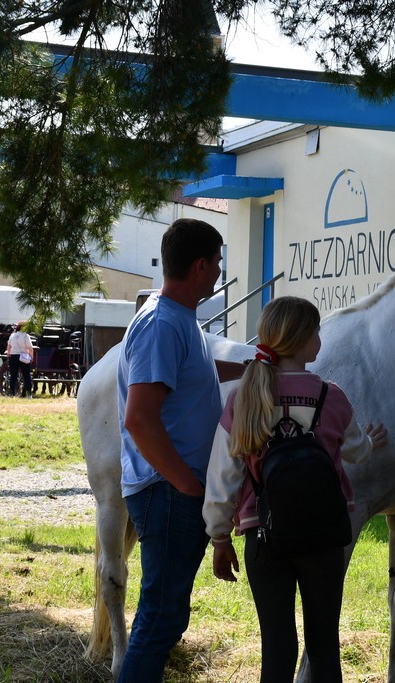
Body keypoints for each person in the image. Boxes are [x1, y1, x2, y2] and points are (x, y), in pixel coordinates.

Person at [203, 296, 387, 682]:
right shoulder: (331, 396)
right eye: (316, 330)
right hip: (323, 538)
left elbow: (224, 476)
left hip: (264, 536)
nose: (319, 337)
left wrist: (220, 539)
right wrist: (371, 441)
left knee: (277, 647)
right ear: (305, 341)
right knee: (323, 647)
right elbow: (355, 450)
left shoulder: (245, 396)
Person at [116, 217, 246, 682]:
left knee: (166, 615)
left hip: (173, 491)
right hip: (168, 492)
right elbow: (140, 419)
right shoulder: (161, 325)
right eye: (216, 265)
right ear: (199, 266)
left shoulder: (178, 319)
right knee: (160, 618)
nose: (218, 274)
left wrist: (251, 367)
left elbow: (195, 374)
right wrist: (189, 485)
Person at [7, 322, 35, 398]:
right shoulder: (26, 336)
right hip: (23, 357)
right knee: (26, 376)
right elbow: (30, 348)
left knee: (13, 376)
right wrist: (32, 356)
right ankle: (29, 394)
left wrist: (9, 353)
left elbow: (9, 346)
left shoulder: (12, 335)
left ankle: (12, 393)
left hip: (13, 356)